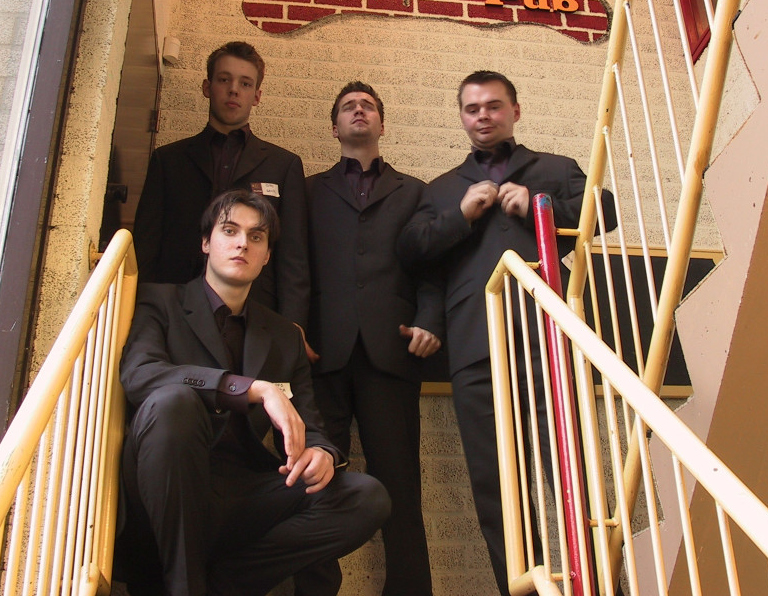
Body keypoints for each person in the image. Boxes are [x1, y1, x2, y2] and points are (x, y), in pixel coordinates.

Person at [116, 189, 390, 596]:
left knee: (366, 496)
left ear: (266, 256)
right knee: (174, 401)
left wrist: (321, 454)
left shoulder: (284, 337)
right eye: (230, 231)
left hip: (240, 496)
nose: (243, 243)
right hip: (164, 490)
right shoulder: (159, 301)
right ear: (206, 242)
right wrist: (250, 389)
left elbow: (310, 425)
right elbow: (141, 375)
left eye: (256, 236)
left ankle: (224, 585)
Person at [397, 71, 588, 596]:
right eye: (472, 108)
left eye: (493, 106)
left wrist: (541, 206)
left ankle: (599, 581)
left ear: (515, 112)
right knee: (494, 483)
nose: (483, 115)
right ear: (462, 116)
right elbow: (413, 253)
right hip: (474, 346)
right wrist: (460, 216)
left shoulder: (555, 168)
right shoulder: (441, 189)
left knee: (572, 471)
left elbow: (604, 213)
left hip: (549, 338)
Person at [305, 82, 443, 596]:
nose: (358, 110)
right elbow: (294, 267)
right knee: (314, 484)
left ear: (382, 124)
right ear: (334, 127)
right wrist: (293, 329)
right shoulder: (307, 190)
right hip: (320, 353)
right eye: (348, 106)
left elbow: (432, 268)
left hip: (393, 351)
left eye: (368, 106)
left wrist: (431, 319)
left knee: (400, 485)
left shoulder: (416, 191)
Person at [133, 40, 310, 331]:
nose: (234, 90)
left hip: (256, 314)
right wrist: (141, 314)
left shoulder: (283, 165)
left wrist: (293, 325)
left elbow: (293, 256)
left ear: (257, 96)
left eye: (245, 83)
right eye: (224, 80)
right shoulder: (168, 160)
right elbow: (146, 246)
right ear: (207, 87)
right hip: (174, 309)